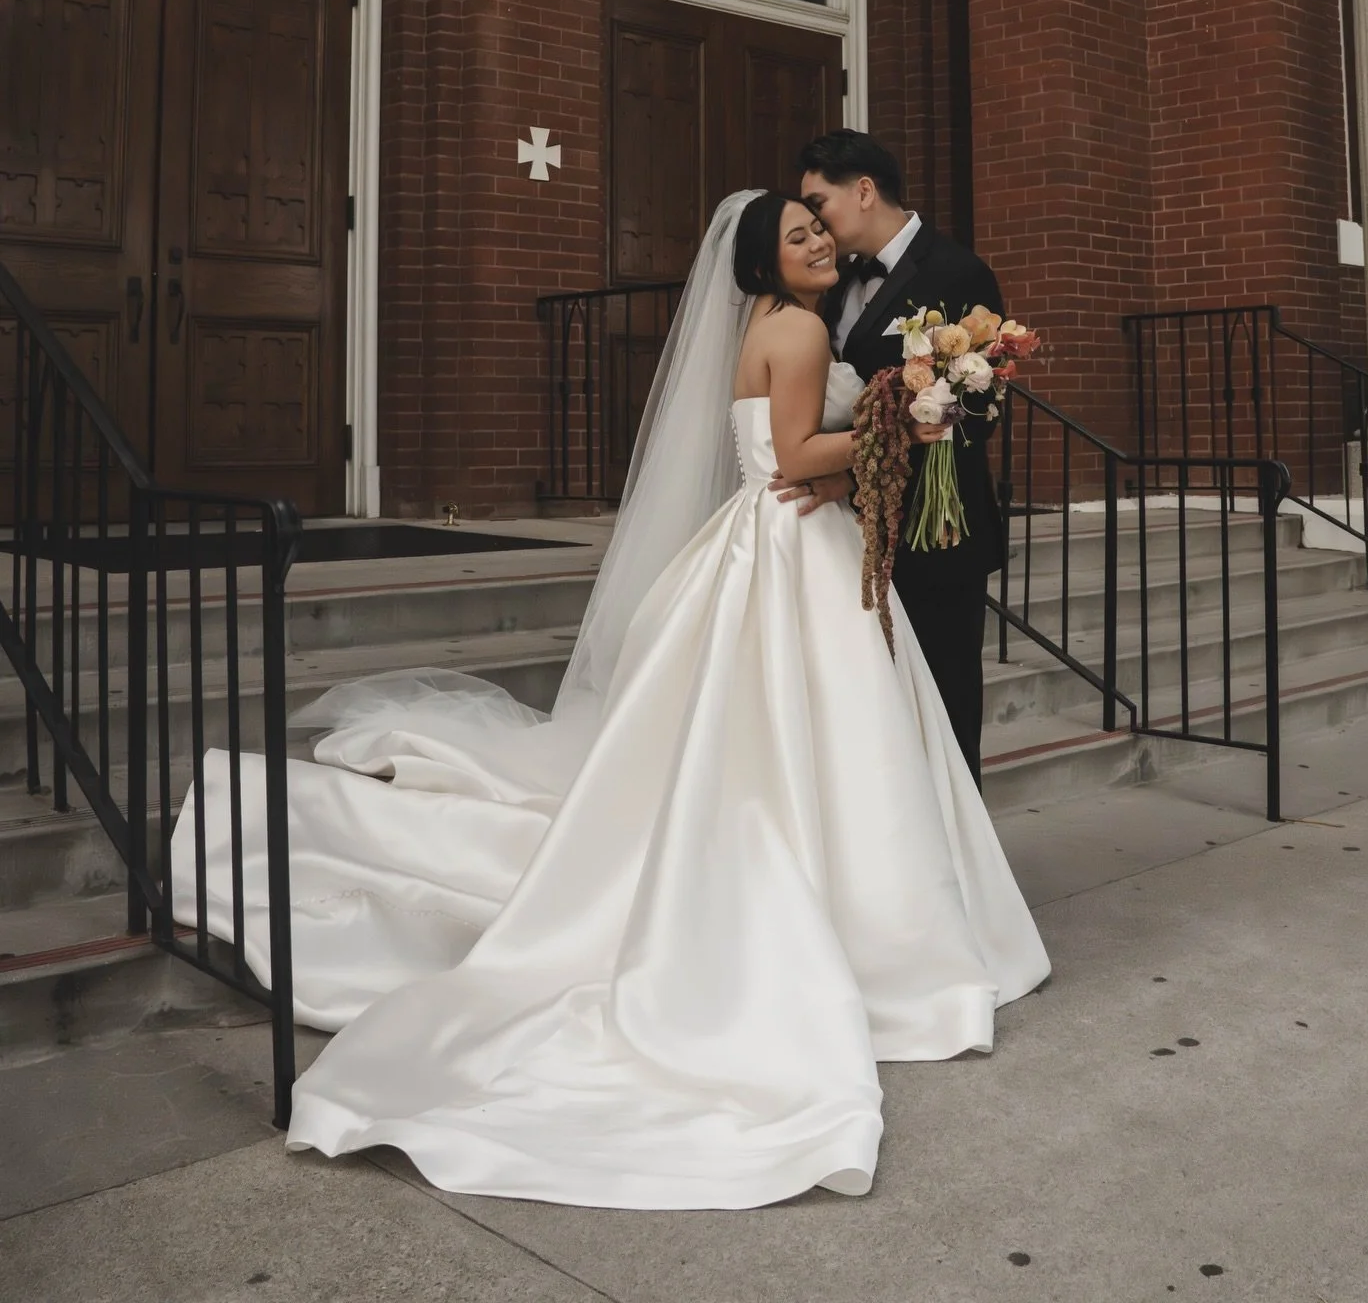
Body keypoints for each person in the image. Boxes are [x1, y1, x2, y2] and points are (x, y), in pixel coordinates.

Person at [172, 191, 1047, 1211]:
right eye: (798, 238)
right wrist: (913, 426)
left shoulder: (767, 324)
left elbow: (773, 449)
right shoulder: (803, 327)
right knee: (832, 739)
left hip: (760, 539)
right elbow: (803, 455)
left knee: (769, 738)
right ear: (765, 263)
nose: (817, 246)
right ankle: (873, 932)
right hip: (792, 545)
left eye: (819, 232)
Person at [794, 131, 1003, 786]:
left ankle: (961, 872)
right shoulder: (831, 284)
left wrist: (858, 471)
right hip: (850, 539)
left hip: (933, 533)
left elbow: (972, 410)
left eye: (817, 202)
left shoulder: (958, 272)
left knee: (940, 710)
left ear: (862, 190)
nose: (812, 222)